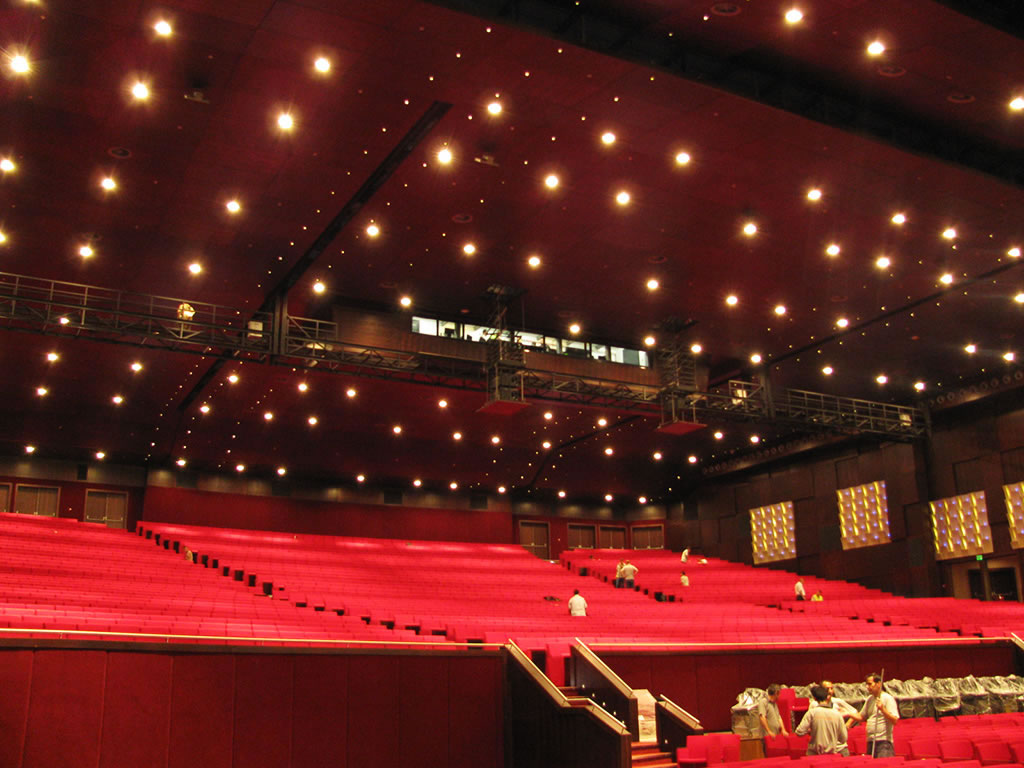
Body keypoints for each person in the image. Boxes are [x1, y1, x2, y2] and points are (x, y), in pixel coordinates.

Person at [849, 672, 898, 757]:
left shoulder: (888, 698)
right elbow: (861, 717)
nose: (867, 687)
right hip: (871, 741)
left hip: (884, 742)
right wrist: (847, 713)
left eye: (870, 684)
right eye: (866, 684)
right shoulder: (869, 699)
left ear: (878, 684)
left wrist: (883, 709)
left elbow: (895, 720)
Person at [795, 685, 849, 755]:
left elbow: (799, 732)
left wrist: (811, 730)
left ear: (815, 698)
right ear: (827, 697)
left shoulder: (812, 712)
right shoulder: (837, 714)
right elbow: (843, 738)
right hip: (832, 754)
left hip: (814, 755)